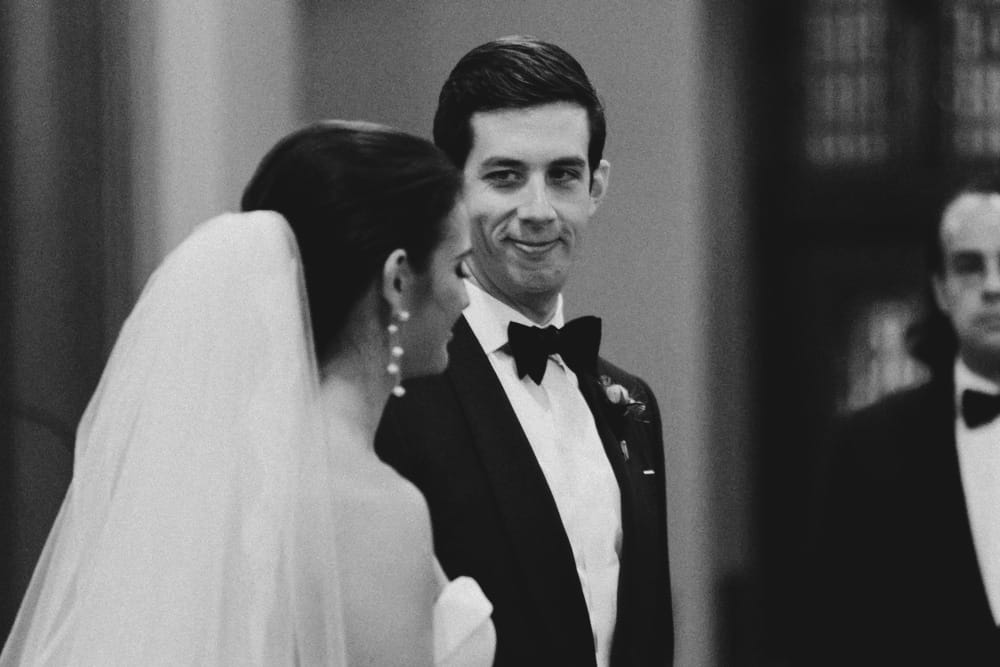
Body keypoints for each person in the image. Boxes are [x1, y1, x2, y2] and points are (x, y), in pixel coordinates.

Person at [0, 120, 495, 666]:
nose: (466, 300)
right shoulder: (372, 506)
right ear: (398, 280)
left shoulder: (199, 475)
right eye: (460, 267)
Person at [375, 36, 673, 666]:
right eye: (506, 176)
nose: (538, 211)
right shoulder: (399, 396)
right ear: (450, 188)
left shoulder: (634, 404)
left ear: (596, 186)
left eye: (563, 175)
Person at [807, 174, 1000, 664]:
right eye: (970, 266)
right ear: (941, 289)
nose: (994, 286)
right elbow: (836, 636)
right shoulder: (868, 447)